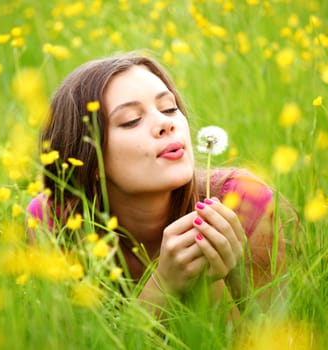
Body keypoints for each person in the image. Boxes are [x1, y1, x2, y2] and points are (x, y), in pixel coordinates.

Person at [27, 52, 298, 317]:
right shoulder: (54, 222)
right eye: (131, 120)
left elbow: (276, 338)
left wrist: (212, 282)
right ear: (91, 160)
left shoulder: (244, 202)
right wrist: (162, 286)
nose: (166, 123)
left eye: (169, 108)